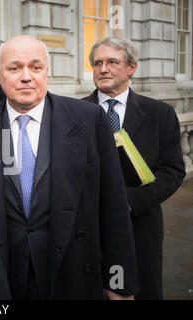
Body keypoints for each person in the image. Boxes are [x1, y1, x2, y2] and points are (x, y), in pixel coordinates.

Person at [0, 35, 139, 299]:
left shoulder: (88, 119)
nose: (26, 77)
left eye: (35, 67)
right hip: (5, 277)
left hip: (73, 273)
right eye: (14, 68)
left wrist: (119, 283)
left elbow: (113, 207)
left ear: (47, 71)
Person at [83, 36, 185, 300]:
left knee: (139, 290)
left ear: (131, 68)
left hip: (139, 226)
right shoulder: (75, 112)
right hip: (87, 227)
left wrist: (129, 201)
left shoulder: (160, 114)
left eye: (112, 62)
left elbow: (172, 171)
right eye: (98, 63)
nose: (103, 69)